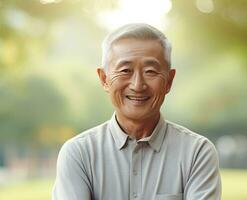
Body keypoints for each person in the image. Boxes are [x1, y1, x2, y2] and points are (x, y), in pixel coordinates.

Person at [52, 23, 221, 200]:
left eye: (150, 71)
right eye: (125, 70)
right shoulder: (79, 153)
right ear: (104, 79)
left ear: (169, 81)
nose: (138, 85)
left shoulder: (197, 153)